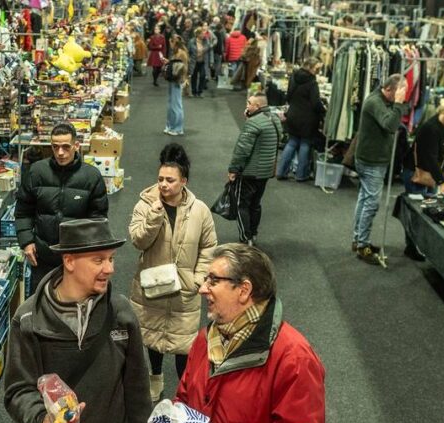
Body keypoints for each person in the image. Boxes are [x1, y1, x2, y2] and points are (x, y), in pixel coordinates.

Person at [4, 218, 152, 423]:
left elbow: (137, 385)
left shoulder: (121, 313)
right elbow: (17, 391)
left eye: (111, 258)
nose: (110, 269)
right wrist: (43, 418)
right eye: (98, 260)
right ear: (69, 261)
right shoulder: (28, 319)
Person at [173, 243, 325, 423]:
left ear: (244, 290)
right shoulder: (204, 339)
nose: (202, 288)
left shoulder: (295, 358)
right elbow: (183, 399)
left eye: (213, 280)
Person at [129, 144, 217, 402]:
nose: (164, 185)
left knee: (184, 345)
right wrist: (154, 217)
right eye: (160, 179)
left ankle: (184, 391)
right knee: (152, 337)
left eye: (170, 180)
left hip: (185, 290)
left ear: (184, 181)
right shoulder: (146, 204)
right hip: (152, 285)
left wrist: (198, 278)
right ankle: (155, 378)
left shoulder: (200, 210)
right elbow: (138, 240)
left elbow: (209, 245)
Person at [15, 123, 109, 293]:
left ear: (76, 146)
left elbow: (98, 221)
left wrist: (90, 255)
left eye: (66, 147)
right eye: (55, 147)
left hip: (77, 257)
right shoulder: (36, 172)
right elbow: (23, 211)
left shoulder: (92, 176)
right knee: (42, 301)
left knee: (76, 301)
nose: (60, 152)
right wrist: (27, 242)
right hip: (43, 255)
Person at [352, 74, 408, 265]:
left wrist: (398, 104)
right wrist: (398, 104)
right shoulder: (375, 102)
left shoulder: (383, 100)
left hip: (372, 159)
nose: (403, 95)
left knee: (364, 199)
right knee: (371, 203)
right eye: (400, 92)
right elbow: (390, 125)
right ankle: (362, 245)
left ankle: (358, 240)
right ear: (390, 89)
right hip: (371, 161)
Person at [399, 100, 444, 261]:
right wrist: (442, 182)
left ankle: (423, 245)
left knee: (430, 212)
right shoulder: (430, 128)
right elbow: (429, 158)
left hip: (431, 174)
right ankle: (412, 247)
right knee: (416, 212)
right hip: (416, 173)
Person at [227, 93, 282, 246]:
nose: (246, 105)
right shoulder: (274, 119)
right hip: (265, 171)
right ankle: (253, 233)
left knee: (242, 204)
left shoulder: (253, 123)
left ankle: (245, 238)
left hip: (249, 172)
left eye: (249, 103)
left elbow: (242, 149)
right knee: (255, 204)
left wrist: (233, 169)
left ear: (257, 106)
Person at [277, 57, 325, 182]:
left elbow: (288, 96)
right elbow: (315, 103)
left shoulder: (294, 77)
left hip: (293, 114)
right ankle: (301, 174)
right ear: (310, 67)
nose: (317, 71)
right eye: (316, 69)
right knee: (305, 144)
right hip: (307, 118)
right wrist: (323, 111)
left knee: (292, 142)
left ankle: (281, 172)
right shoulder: (312, 82)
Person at [162, 36, 188, 136]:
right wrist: (168, 62)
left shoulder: (181, 53)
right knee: (171, 104)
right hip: (173, 80)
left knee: (176, 105)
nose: (170, 45)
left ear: (174, 43)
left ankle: (177, 128)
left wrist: (184, 80)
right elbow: (175, 64)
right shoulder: (177, 52)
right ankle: (170, 126)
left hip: (177, 81)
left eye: (170, 43)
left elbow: (183, 68)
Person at [188, 28, 211, 98]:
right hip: (194, 62)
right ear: (197, 34)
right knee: (194, 77)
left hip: (203, 62)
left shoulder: (206, 41)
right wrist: (188, 60)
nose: (203, 35)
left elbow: (209, 50)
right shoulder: (191, 41)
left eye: (203, 33)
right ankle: (194, 91)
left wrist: (211, 61)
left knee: (202, 76)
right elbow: (188, 51)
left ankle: (200, 92)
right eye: (201, 33)